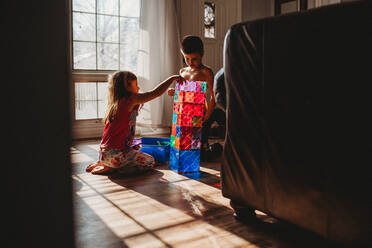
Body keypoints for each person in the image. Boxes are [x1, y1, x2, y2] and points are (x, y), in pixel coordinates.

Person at [86, 71, 184, 175]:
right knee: (149, 161)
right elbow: (155, 93)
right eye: (136, 84)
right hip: (116, 156)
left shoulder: (116, 102)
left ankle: (104, 163)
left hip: (104, 154)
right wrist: (172, 79)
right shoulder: (130, 99)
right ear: (127, 87)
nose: (138, 88)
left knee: (135, 148)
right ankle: (112, 168)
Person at [167, 35, 215, 160]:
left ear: (202, 54)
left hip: (201, 114)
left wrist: (207, 116)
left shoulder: (206, 72)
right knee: (185, 145)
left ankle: (215, 149)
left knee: (202, 154)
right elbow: (183, 92)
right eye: (186, 58)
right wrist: (175, 91)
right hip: (185, 114)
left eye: (194, 59)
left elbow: (214, 97)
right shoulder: (183, 71)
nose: (190, 62)